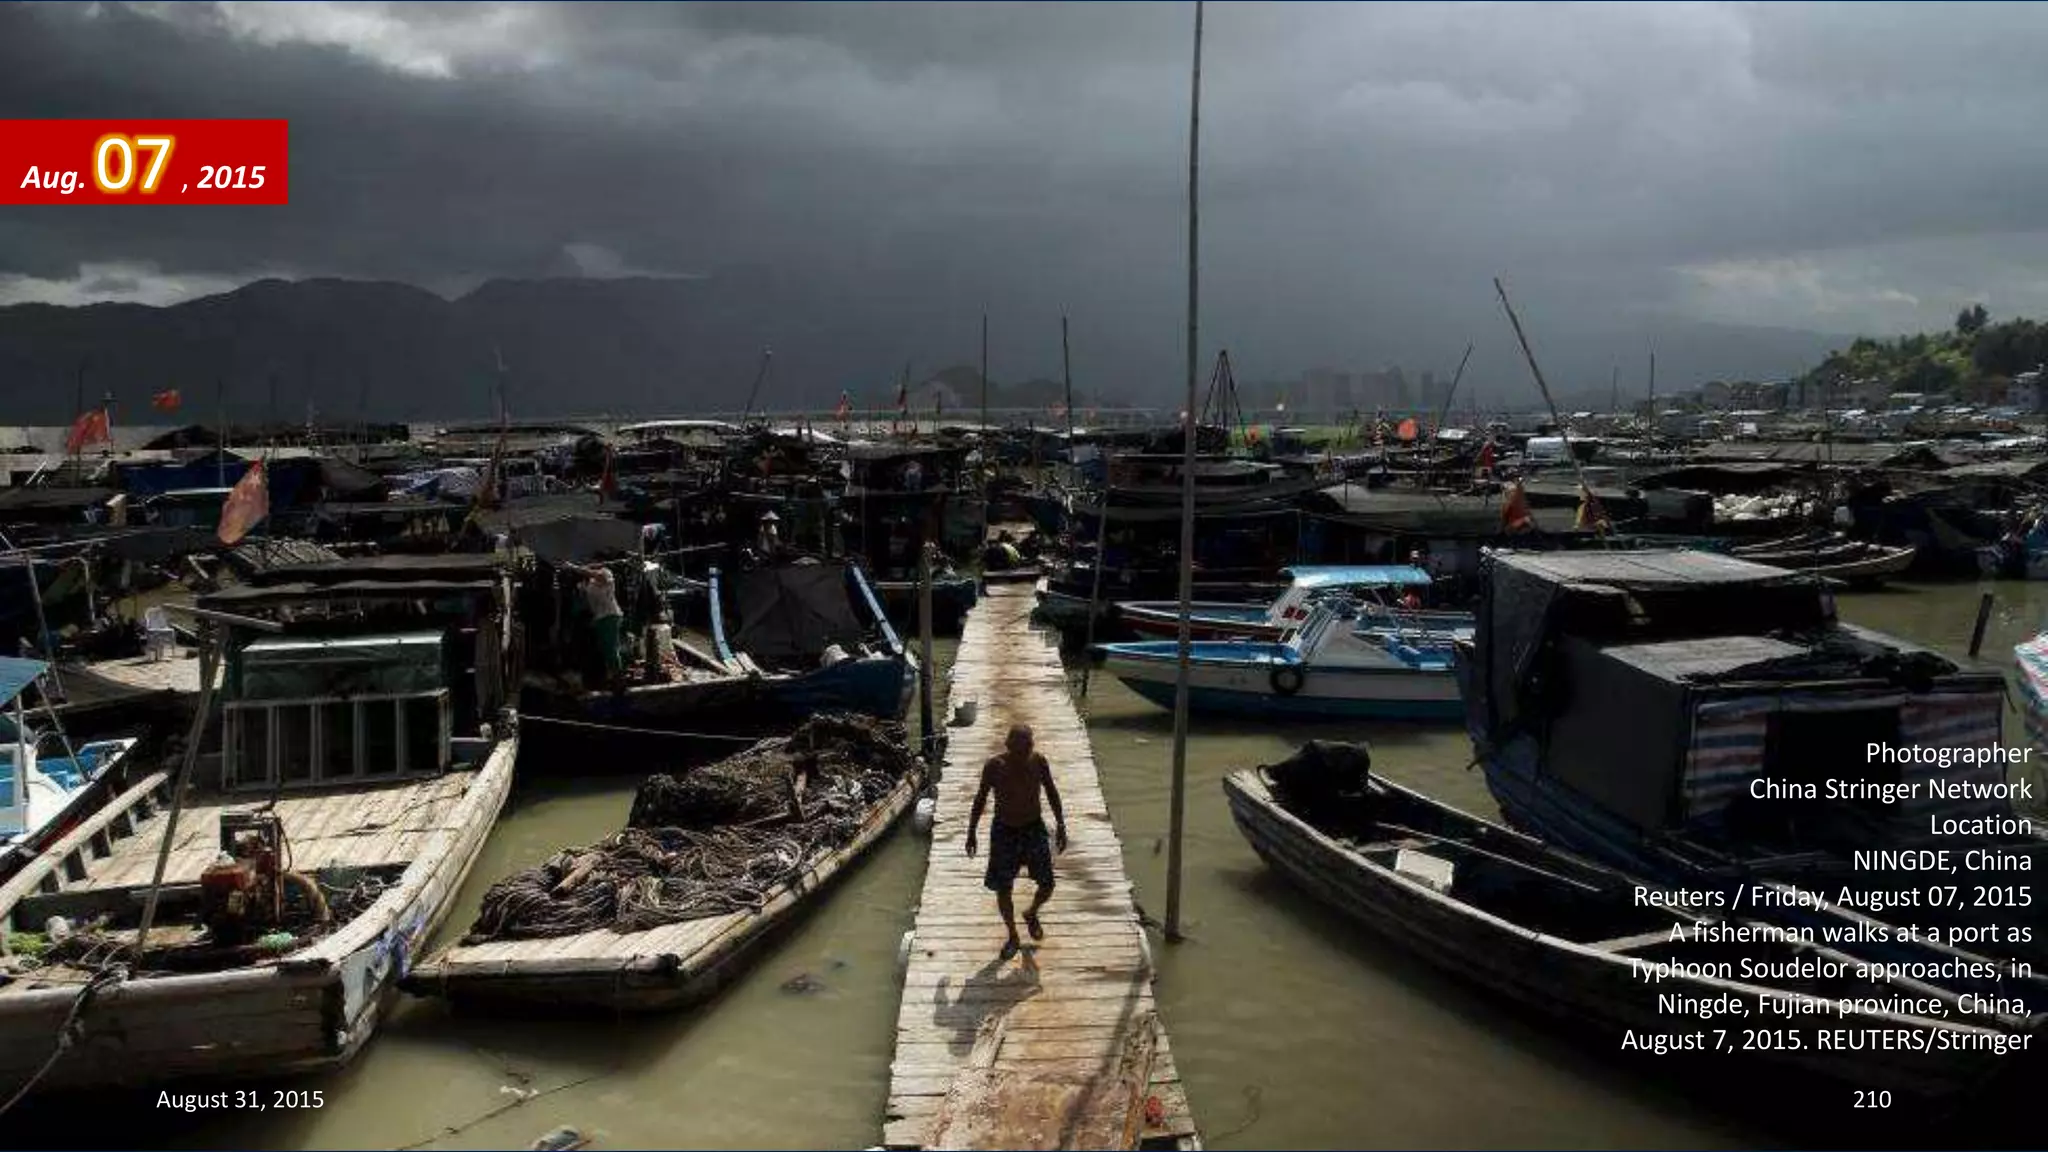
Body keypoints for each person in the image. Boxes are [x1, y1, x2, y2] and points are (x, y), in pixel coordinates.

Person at [965, 724, 1068, 960]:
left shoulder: (1038, 762)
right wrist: (971, 831)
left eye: (1028, 746)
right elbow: (980, 798)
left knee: (1047, 884)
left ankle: (1031, 913)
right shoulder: (995, 767)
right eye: (1019, 748)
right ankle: (1012, 935)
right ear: (1009, 746)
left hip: (1033, 827)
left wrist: (1061, 824)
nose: (1024, 752)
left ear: (1032, 746)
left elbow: (1052, 792)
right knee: (1003, 888)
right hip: (1004, 831)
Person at [569, 561, 625, 690]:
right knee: (603, 649)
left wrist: (575, 568)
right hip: (599, 618)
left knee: (611, 649)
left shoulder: (605, 573)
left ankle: (619, 679)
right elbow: (584, 602)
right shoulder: (587, 584)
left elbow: (599, 576)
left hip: (610, 615)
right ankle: (609, 678)